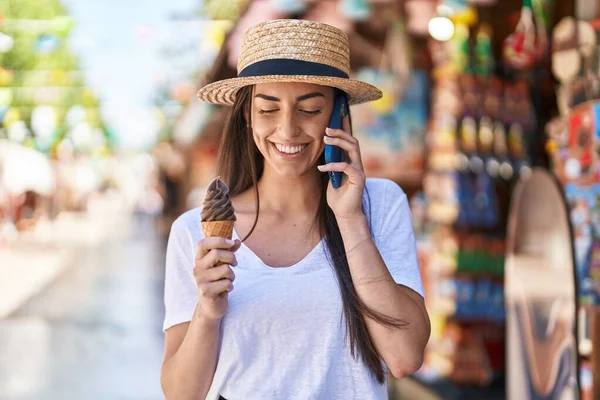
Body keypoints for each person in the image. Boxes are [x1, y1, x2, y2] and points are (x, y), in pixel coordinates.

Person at [161, 19, 430, 400]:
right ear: (247, 116)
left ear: (339, 117)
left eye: (310, 109)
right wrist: (208, 310)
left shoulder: (379, 205)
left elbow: (404, 357)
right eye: (268, 109)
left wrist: (350, 220)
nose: (287, 130)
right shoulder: (196, 231)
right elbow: (180, 393)